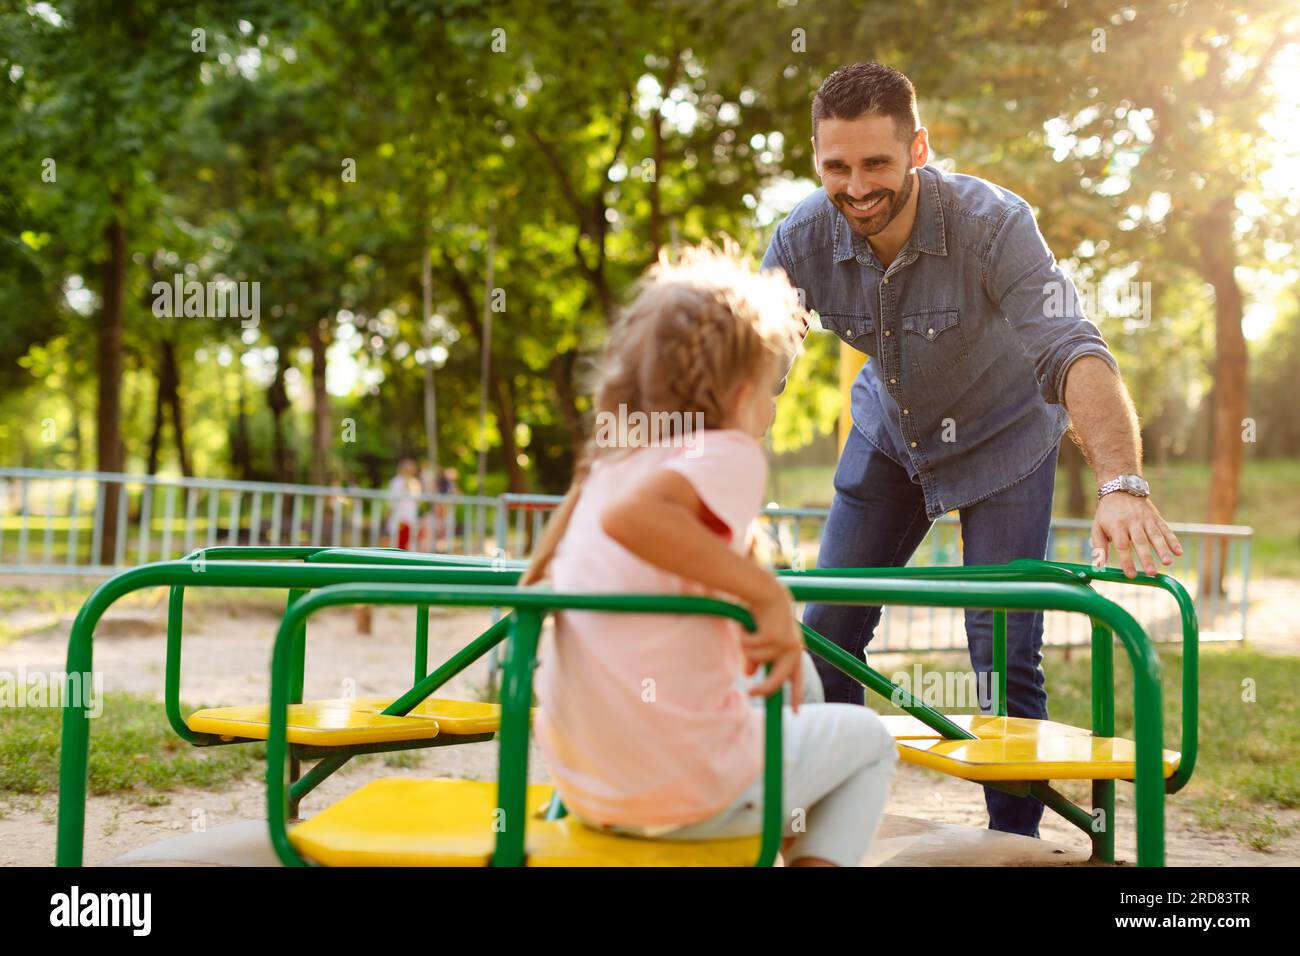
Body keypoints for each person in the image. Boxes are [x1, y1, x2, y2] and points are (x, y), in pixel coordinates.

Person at [760, 62, 1183, 837]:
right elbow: (753, 361)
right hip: (891, 440)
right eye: (836, 166)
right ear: (818, 161)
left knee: (1001, 652)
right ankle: (822, 834)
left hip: (1005, 444)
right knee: (824, 635)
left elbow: (1072, 347)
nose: (856, 187)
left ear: (918, 148)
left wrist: (1122, 480)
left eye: (877, 163)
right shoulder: (801, 238)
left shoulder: (995, 224)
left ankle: (1011, 844)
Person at [523, 241, 897, 867]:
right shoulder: (724, 452)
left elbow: (539, 582)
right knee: (868, 741)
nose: (773, 404)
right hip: (684, 791)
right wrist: (766, 593)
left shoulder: (608, 467)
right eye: (771, 381)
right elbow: (634, 520)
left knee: (798, 678)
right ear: (738, 388)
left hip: (590, 786)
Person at [387, 458, 421, 550]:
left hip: (410, 516)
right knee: (396, 541)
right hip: (398, 515)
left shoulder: (415, 482)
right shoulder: (396, 482)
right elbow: (392, 498)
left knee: (410, 541)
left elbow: (417, 499)